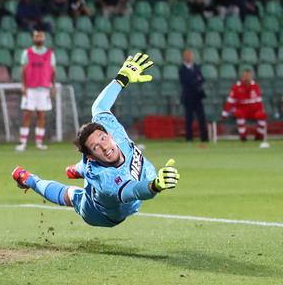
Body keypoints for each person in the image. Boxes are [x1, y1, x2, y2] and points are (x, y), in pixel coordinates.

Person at [12, 53, 180, 228]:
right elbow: (134, 190)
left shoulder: (110, 128)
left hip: (103, 167)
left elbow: (99, 106)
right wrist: (155, 186)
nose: (104, 146)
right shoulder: (106, 180)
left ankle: (78, 169)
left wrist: (122, 78)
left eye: (103, 138)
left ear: (109, 135)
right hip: (98, 213)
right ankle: (30, 180)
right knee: (72, 195)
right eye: (96, 146)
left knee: (91, 163)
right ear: (91, 156)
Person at [15, 29, 55, 151]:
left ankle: (39, 142)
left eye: (41, 36)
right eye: (37, 36)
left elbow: (53, 71)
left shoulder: (50, 54)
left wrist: (52, 86)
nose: (39, 38)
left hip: (44, 89)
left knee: (41, 114)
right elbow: (23, 70)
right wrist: (23, 85)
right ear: (33, 38)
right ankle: (22, 142)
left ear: (44, 39)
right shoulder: (27, 53)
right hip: (30, 88)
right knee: (27, 114)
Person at [222, 68, 270, 148]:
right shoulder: (236, 87)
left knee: (262, 115)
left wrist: (262, 110)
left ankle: (259, 136)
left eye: (248, 76)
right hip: (242, 108)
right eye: (245, 76)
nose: (246, 78)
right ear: (242, 76)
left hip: (253, 109)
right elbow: (230, 101)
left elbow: (259, 101)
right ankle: (243, 137)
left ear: (251, 77)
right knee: (239, 113)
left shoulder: (255, 86)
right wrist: (225, 113)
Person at [179, 49, 209, 143]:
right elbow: (186, 81)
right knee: (189, 119)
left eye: (190, 56)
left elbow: (202, 79)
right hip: (188, 97)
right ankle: (189, 138)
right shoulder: (182, 69)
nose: (189, 57)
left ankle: (204, 138)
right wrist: (196, 80)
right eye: (187, 56)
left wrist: (195, 80)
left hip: (198, 96)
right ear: (184, 57)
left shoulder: (196, 67)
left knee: (201, 118)